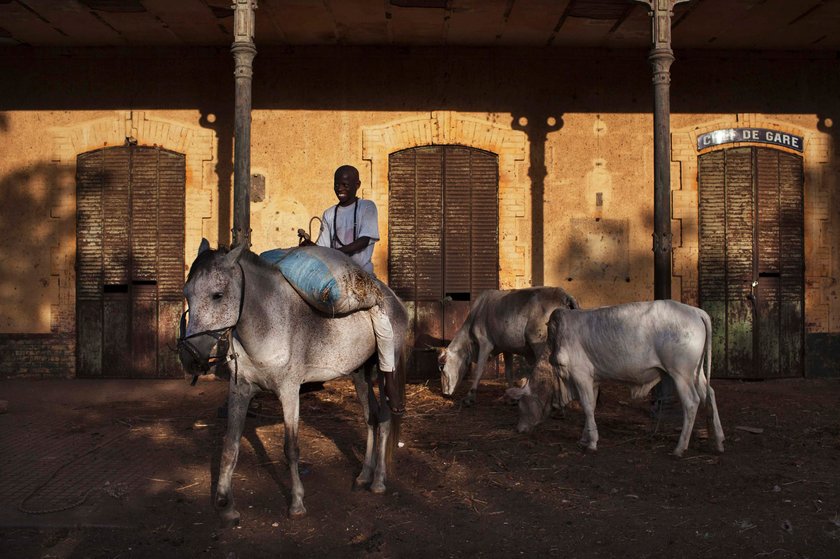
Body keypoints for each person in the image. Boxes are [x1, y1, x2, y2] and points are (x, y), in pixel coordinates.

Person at [298, 165, 403, 415]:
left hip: (360, 274)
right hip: (334, 276)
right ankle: (308, 372)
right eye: (337, 183)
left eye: (346, 183)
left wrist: (334, 253)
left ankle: (388, 378)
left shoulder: (367, 207)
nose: (340, 187)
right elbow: (323, 247)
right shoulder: (329, 214)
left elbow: (364, 240)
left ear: (357, 184)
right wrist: (309, 245)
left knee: (381, 316)